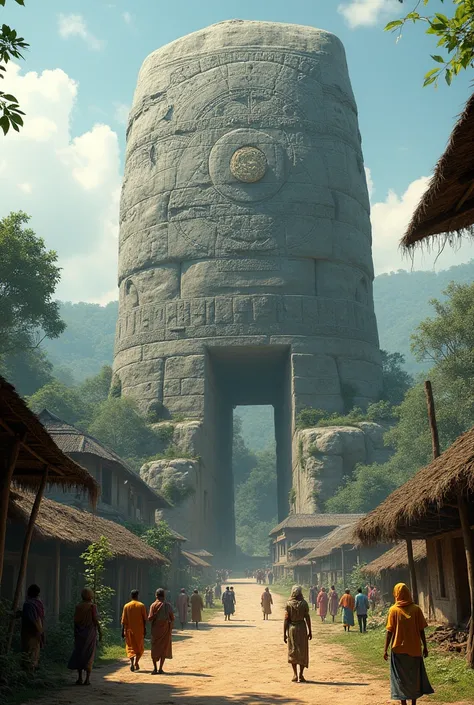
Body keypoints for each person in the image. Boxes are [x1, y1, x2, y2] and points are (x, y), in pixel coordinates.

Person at [384, 583, 433, 705]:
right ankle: (414, 703)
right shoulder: (416, 609)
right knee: (414, 678)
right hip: (415, 649)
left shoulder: (393, 610)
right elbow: (421, 630)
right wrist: (425, 647)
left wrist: (385, 649)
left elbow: (389, 632)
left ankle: (403, 703)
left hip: (398, 650)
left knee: (400, 678)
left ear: (396, 594)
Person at [68, 587, 102, 686]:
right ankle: (87, 679)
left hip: (79, 633)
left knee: (80, 653)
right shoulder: (92, 607)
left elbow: (75, 621)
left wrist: (75, 633)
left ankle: (79, 678)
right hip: (90, 633)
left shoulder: (78, 606)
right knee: (89, 654)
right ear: (91, 595)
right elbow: (95, 620)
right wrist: (100, 631)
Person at [284, 585, 312, 683]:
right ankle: (301, 674)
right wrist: (310, 631)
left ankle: (295, 674)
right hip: (302, 628)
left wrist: (284, 633)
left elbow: (286, 620)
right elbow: (307, 618)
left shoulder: (288, 604)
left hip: (292, 629)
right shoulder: (304, 604)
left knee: (293, 650)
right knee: (302, 651)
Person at [148, 588, 174, 675]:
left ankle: (155, 668)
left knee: (154, 648)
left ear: (156, 595)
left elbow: (150, 618)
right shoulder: (168, 605)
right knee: (164, 648)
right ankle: (160, 668)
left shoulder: (153, 605)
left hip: (155, 630)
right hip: (165, 629)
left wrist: (156, 615)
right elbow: (172, 618)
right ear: (164, 596)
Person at [121, 589, 147, 671]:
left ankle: (132, 663)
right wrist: (145, 629)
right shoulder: (141, 605)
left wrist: (122, 631)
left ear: (131, 596)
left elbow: (124, 621)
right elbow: (144, 619)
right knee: (139, 648)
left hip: (129, 631)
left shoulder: (126, 606)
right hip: (139, 631)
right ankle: (136, 662)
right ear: (138, 596)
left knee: (130, 647)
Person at [21, 584, 44, 671]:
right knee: (34, 653)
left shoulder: (28, 604)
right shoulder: (39, 603)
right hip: (38, 630)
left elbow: (31, 619)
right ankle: (32, 671)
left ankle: (28, 673)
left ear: (29, 592)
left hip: (29, 631)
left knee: (28, 652)